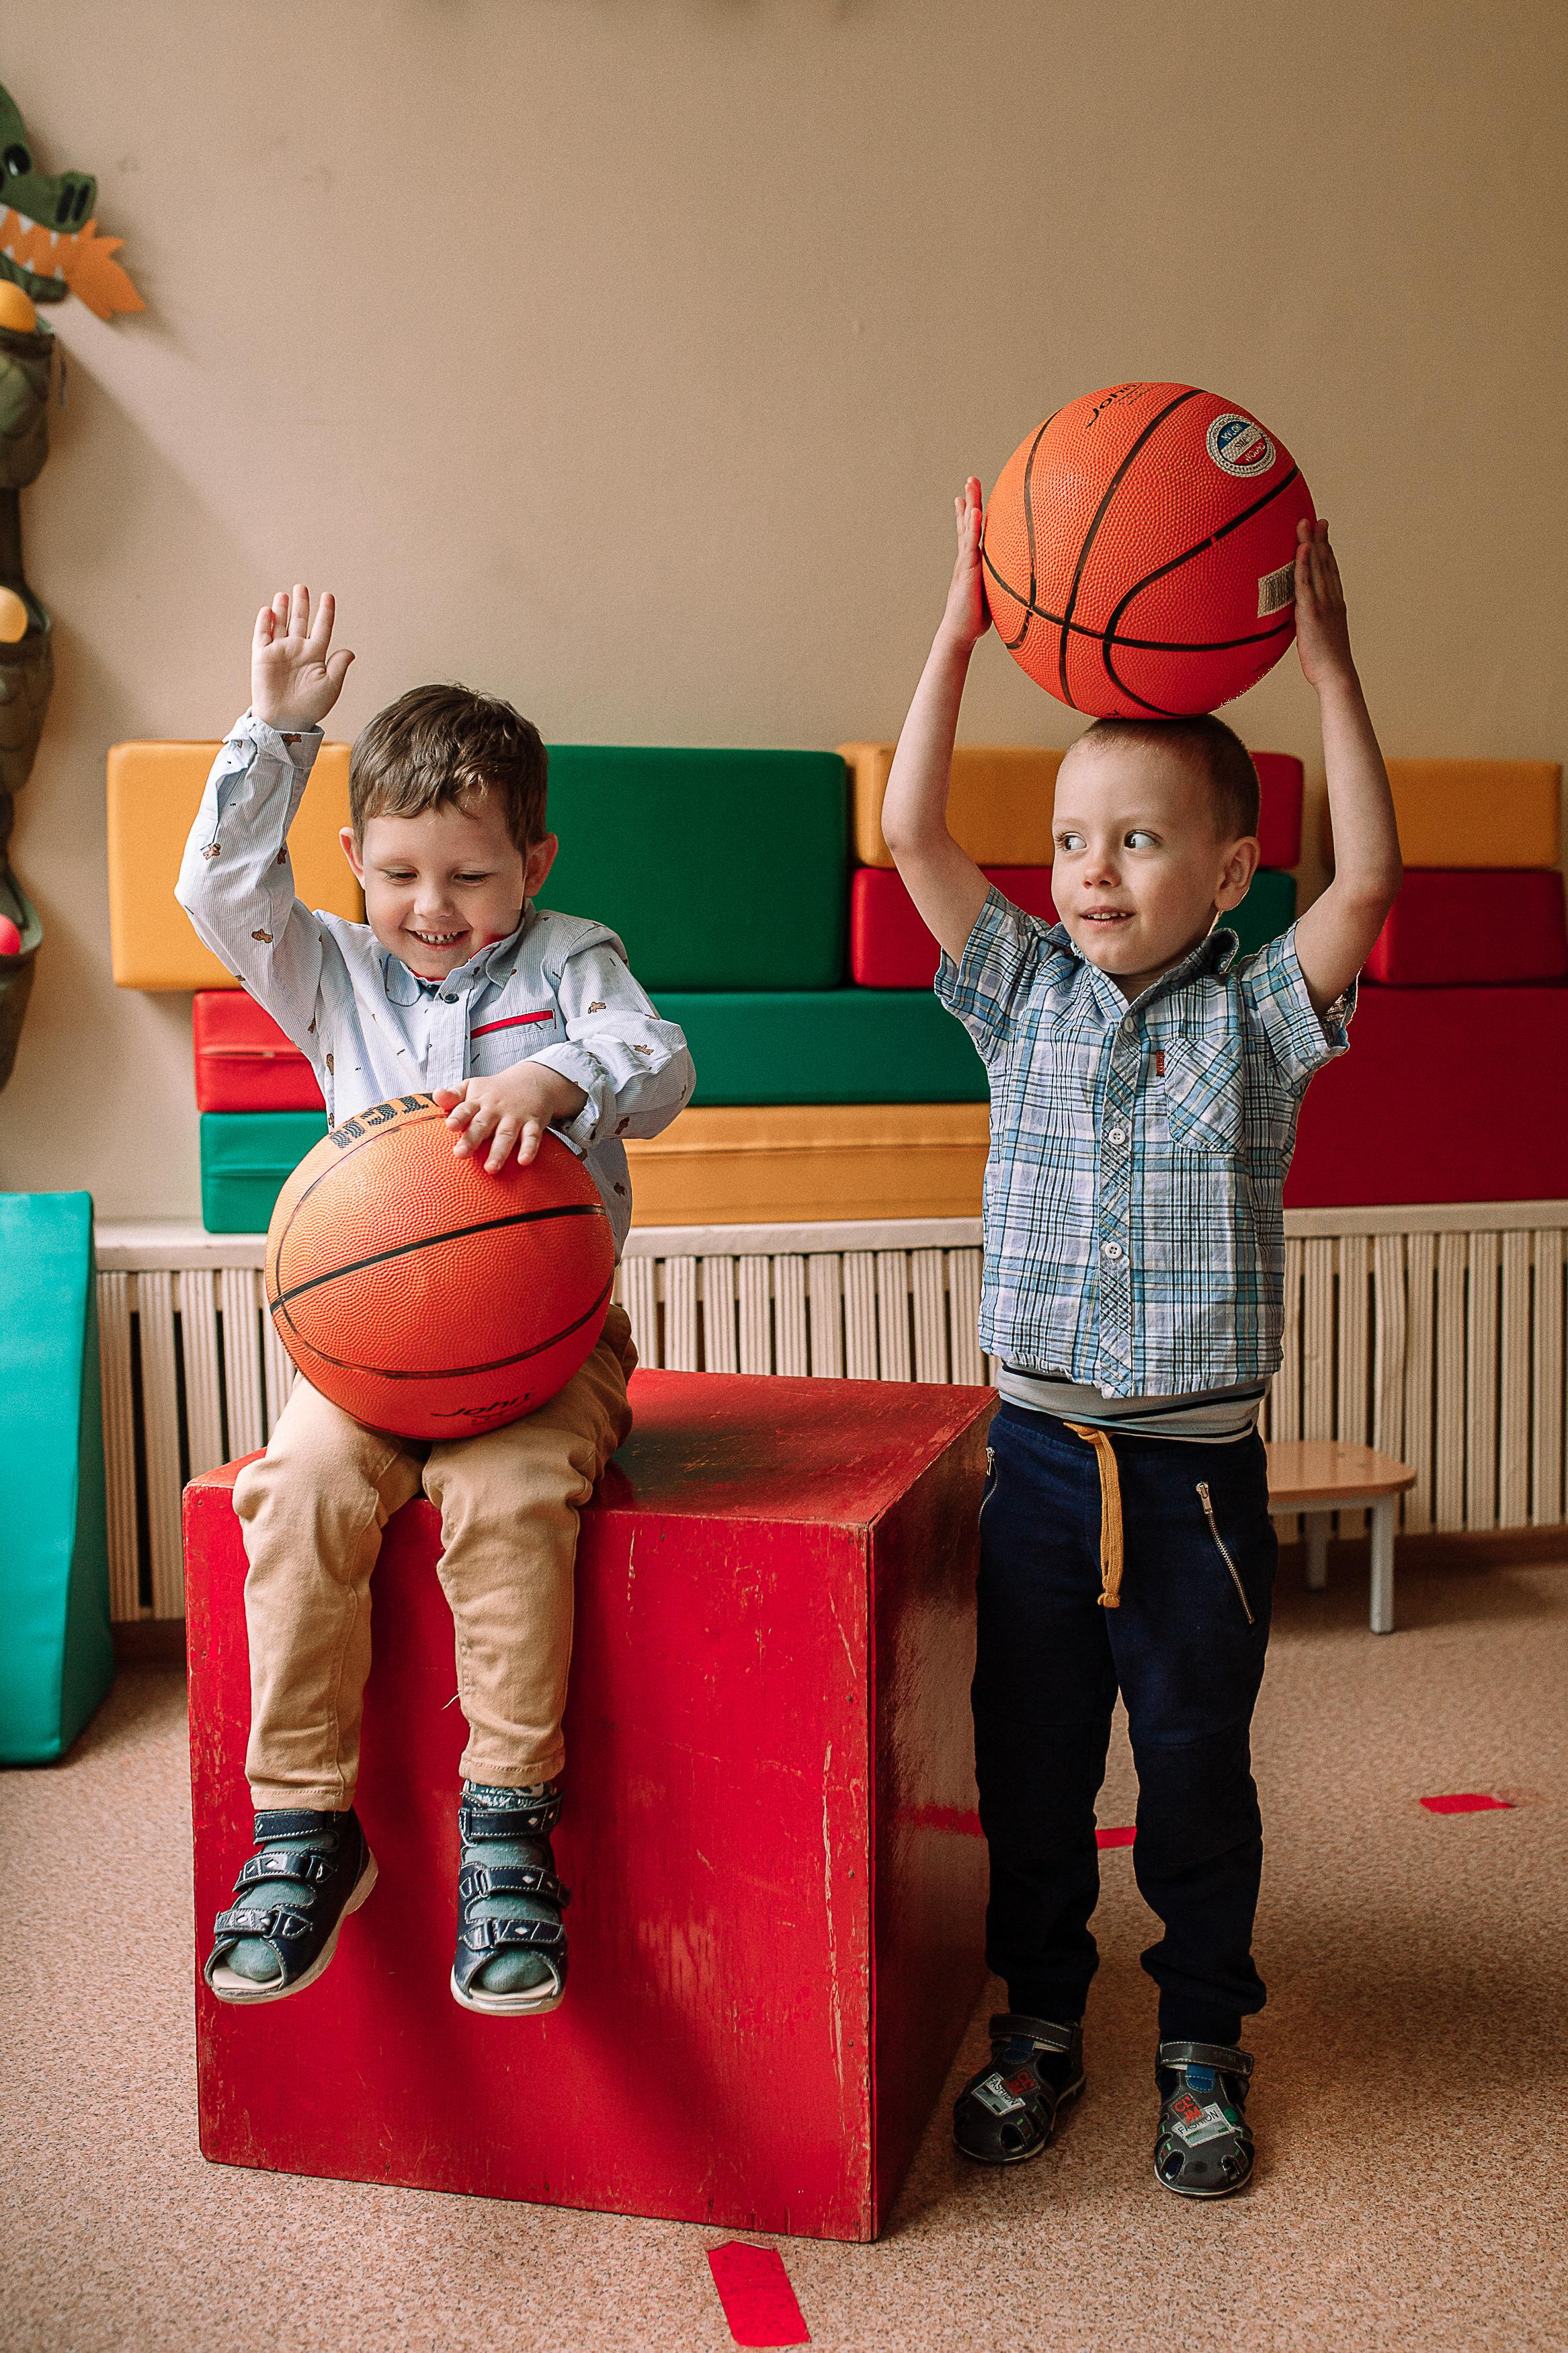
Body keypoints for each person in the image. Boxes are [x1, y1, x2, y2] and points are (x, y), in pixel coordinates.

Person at [882, 486, 1400, 2196]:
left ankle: (1201, 2041)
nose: (1094, 869)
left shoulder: (1263, 1020)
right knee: (1034, 1770)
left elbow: (1375, 877)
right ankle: (1041, 2018)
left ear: (1234, 871)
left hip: (1190, 1484)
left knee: (1190, 1771)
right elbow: (908, 833)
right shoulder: (1018, 989)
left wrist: (1327, 666)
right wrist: (959, 634)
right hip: (1032, 1462)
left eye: (1143, 840)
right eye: (1075, 837)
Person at [177, 586, 693, 2016]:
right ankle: (303, 1827)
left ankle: (509, 1828)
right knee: (297, 1495)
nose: (433, 910)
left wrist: (558, 1078)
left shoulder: (574, 960)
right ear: (352, 861)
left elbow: (658, 1058)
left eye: (469, 877)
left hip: (544, 1348)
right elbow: (220, 890)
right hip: (365, 1353)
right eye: (399, 874)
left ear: (533, 860)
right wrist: (279, 728)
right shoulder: (330, 966)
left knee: (509, 1497)